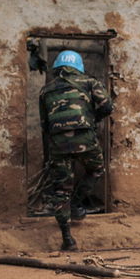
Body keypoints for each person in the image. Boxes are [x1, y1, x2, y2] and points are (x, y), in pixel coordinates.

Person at [38, 50, 113, 251]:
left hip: (58, 142)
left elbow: (44, 124)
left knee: (61, 190)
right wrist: (91, 119)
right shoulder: (89, 82)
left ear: (57, 68)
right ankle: (76, 203)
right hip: (85, 138)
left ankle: (67, 239)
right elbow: (107, 106)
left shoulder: (45, 91)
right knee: (96, 170)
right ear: (78, 66)